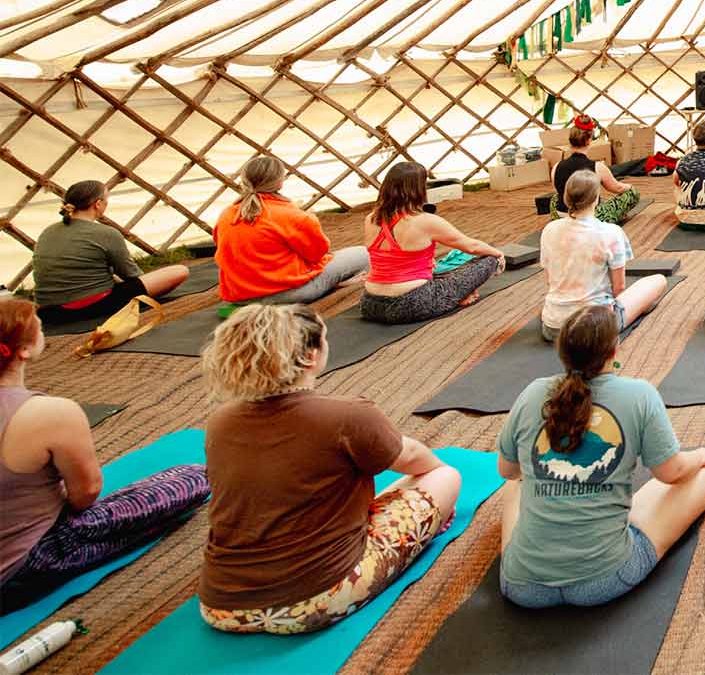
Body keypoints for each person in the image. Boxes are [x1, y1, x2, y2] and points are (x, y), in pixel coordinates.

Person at [198, 304, 463, 634]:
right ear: (311, 356)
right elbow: (413, 458)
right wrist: (435, 486)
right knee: (445, 477)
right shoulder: (347, 415)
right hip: (316, 600)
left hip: (220, 607)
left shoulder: (220, 422)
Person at [497, 304, 705, 608]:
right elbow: (672, 472)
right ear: (614, 350)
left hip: (522, 587)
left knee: (517, 482)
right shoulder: (640, 395)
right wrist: (702, 455)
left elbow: (507, 470)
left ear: (562, 352)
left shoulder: (533, 393)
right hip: (605, 580)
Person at [0, 298, 208, 600]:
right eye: (40, 328)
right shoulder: (50, 413)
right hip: (27, 564)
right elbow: (84, 495)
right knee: (192, 478)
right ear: (24, 350)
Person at [358, 162, 505, 325]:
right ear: (419, 189)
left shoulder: (371, 218)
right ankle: (457, 298)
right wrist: (498, 254)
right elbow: (472, 246)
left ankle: (457, 295)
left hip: (370, 304)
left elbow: (389, 257)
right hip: (409, 304)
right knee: (489, 259)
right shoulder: (425, 221)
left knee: (436, 267)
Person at [214, 155, 369, 304]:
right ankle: (335, 284)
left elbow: (223, 247)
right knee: (364, 254)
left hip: (239, 295)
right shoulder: (293, 215)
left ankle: (333, 283)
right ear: (280, 183)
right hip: (288, 293)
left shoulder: (226, 214)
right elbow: (318, 254)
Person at [30, 181, 189, 325]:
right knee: (180, 271)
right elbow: (131, 275)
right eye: (106, 201)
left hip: (48, 312)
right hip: (87, 306)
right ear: (98, 204)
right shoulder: (106, 233)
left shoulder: (48, 231)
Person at [539, 171, 668, 344]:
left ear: (565, 197)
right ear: (596, 199)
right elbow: (619, 289)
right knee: (658, 281)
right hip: (596, 328)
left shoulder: (549, 230)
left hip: (552, 327)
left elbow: (550, 281)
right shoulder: (610, 232)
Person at [549, 115, 640, 224]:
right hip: (590, 218)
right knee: (632, 193)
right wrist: (630, 187)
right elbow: (617, 188)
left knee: (555, 197)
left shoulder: (556, 166)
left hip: (562, 216)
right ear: (588, 141)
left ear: (570, 141)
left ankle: (561, 219)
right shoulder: (598, 167)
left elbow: (558, 190)